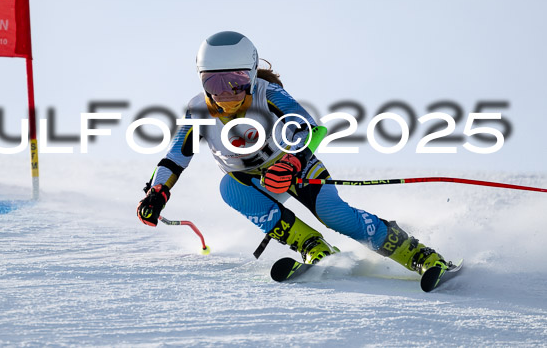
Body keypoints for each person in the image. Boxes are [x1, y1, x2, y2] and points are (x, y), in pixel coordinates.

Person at [137, 31, 448, 277]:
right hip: (254, 182)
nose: (224, 93)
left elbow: (312, 129)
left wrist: (292, 160)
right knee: (229, 187)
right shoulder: (199, 110)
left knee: (335, 216)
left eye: (236, 81)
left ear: (251, 75)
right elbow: (176, 156)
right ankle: (313, 247)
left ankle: (420, 256)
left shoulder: (267, 93)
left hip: (295, 167)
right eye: (213, 82)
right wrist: (157, 192)